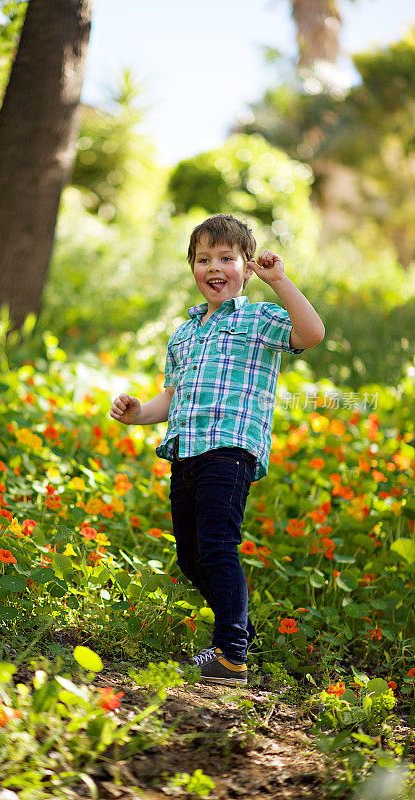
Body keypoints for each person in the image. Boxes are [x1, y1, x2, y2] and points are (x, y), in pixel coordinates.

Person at [110, 214, 325, 686]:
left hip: (230, 450)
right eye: (203, 258)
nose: (215, 266)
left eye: (227, 258)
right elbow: (172, 396)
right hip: (186, 450)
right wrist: (137, 412)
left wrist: (280, 281)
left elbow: (311, 334)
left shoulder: (258, 317)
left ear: (246, 268)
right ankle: (240, 631)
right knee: (191, 556)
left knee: (216, 545)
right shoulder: (183, 334)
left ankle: (230, 653)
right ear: (192, 268)